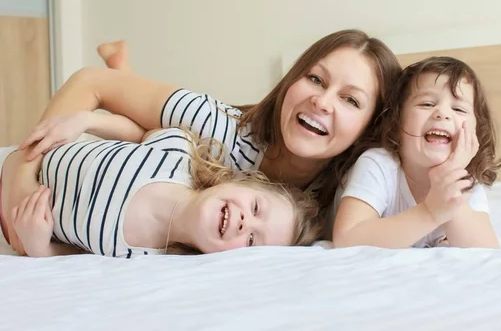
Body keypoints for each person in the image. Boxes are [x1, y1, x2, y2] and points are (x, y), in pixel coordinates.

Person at [19, 30, 402, 221]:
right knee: (157, 133)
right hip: (201, 135)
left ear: (371, 127)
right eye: (315, 79)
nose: (322, 100)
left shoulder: (356, 186)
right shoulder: (218, 131)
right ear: (292, 80)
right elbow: (89, 83)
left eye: (351, 100)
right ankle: (122, 72)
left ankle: (125, 70)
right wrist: (18, 185)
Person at [0, 111, 321, 258]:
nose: (244, 221)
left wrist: (39, 247)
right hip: (28, 158)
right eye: (255, 207)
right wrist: (88, 120)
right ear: (241, 182)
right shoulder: (179, 154)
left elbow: (74, 251)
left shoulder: (146, 256)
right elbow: (136, 132)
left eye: (252, 240)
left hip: (9, 220)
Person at [331, 56, 501, 249]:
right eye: (427, 104)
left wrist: (450, 177)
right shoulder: (378, 164)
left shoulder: (466, 180)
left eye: (458, 108)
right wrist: (430, 212)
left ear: (476, 133)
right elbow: (347, 239)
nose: (443, 113)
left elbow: (486, 250)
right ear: (396, 120)